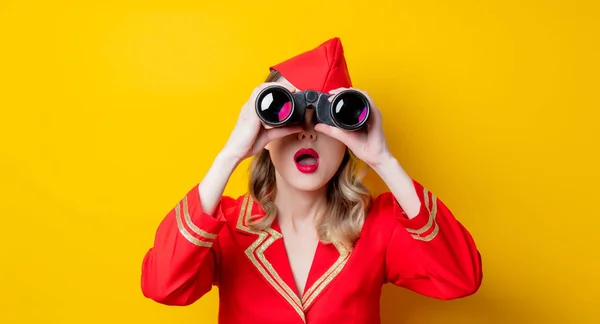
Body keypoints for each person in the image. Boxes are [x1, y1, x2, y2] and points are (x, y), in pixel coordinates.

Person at [140, 37, 483, 324]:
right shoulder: (227, 227)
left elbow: (460, 278)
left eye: (323, 119)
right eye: (285, 117)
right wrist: (230, 154)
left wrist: (384, 160)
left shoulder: (377, 225)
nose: (306, 134)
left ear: (349, 134)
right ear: (261, 130)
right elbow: (163, 285)